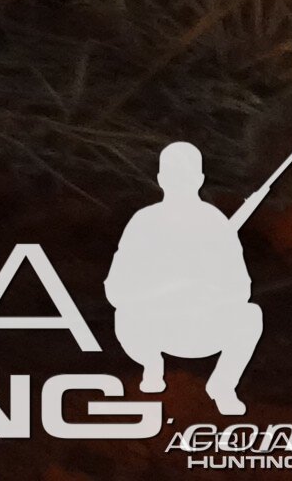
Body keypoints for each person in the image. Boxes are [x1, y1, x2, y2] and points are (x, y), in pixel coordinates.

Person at [108, 141, 268, 415]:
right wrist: (159, 291)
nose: (179, 183)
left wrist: (209, 290)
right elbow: (115, 288)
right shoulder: (143, 222)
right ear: (160, 179)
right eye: (173, 176)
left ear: (199, 180)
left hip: (202, 328)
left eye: (185, 177)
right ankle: (151, 366)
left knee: (251, 315)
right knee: (123, 315)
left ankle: (223, 385)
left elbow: (242, 288)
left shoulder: (216, 223)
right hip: (154, 327)